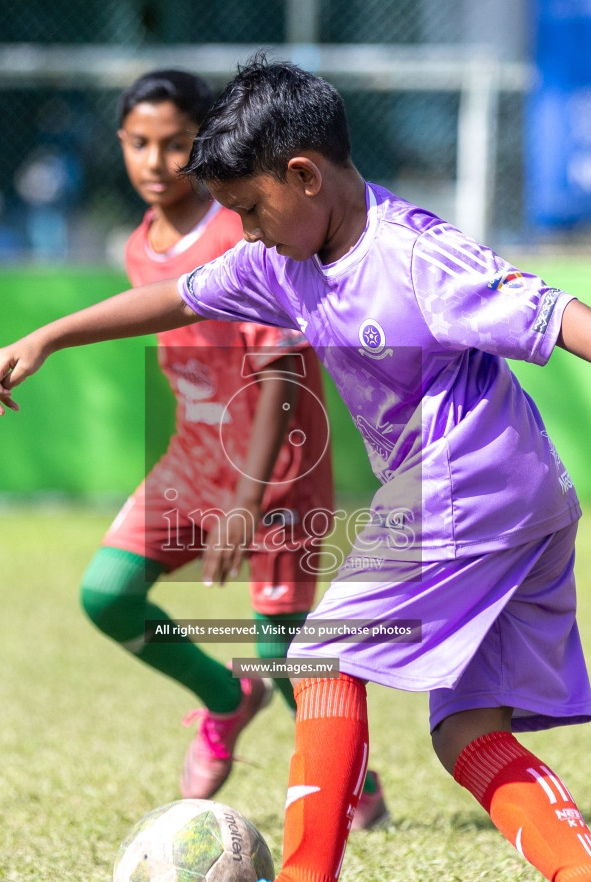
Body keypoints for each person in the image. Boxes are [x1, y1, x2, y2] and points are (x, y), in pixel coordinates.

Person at [0, 56, 591, 882]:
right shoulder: (285, 259)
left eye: (249, 209)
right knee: (464, 726)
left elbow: (546, 309)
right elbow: (172, 299)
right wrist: (47, 336)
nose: (244, 232)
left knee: (321, 653)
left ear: (304, 175)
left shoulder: (413, 252)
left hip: (467, 481)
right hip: (519, 499)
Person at [66, 69, 388, 821]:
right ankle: (222, 696)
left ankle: (358, 787)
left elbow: (281, 367)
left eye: (176, 145)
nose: (155, 162)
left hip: (273, 472)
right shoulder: (140, 247)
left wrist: (247, 499)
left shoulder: (249, 224)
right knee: (106, 594)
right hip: (194, 461)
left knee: (281, 658)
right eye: (139, 145)